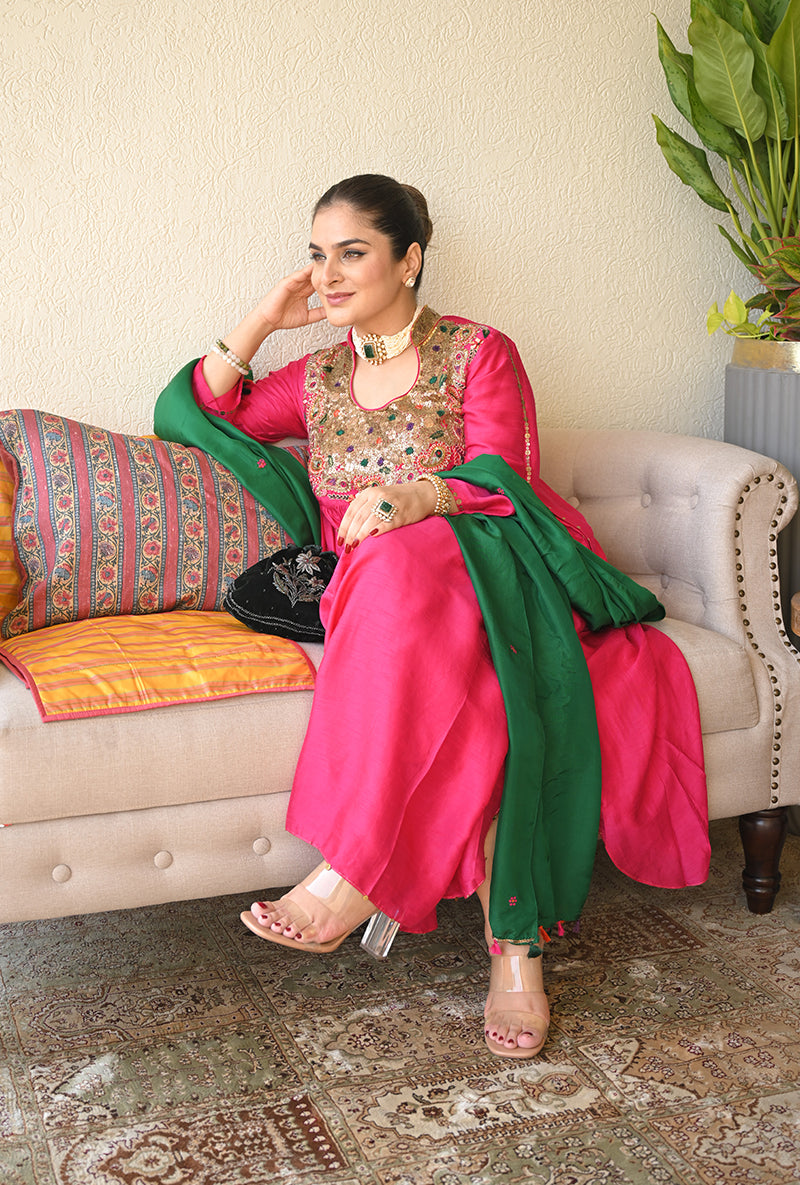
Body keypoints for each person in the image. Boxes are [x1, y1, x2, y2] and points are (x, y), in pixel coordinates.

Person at [179, 173, 710, 1059]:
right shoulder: (315, 379)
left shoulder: (479, 352)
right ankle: (515, 958)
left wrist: (418, 494)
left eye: (353, 252)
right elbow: (197, 408)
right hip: (389, 598)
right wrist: (268, 316)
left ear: (410, 257)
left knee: (437, 593)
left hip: (496, 565)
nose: (330, 275)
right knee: (468, 658)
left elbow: (505, 473)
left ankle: (353, 874)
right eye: (318, 255)